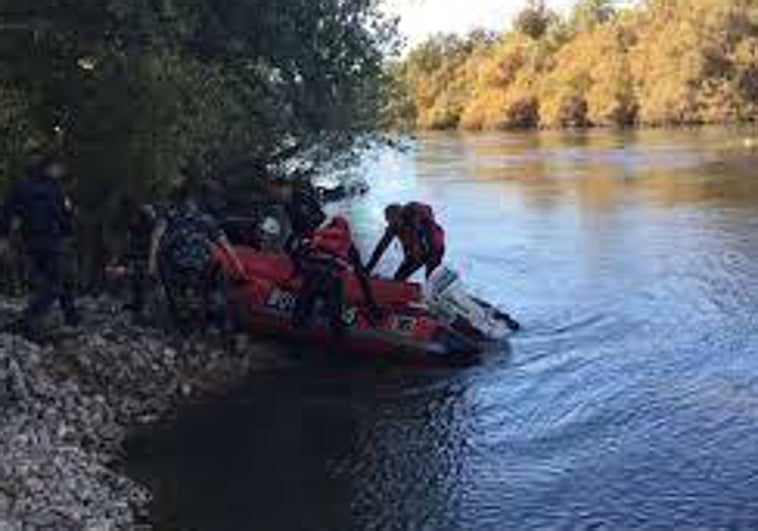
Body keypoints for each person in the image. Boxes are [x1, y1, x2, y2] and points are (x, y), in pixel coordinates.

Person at [0, 155, 79, 341]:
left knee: (63, 278)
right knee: (55, 284)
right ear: (49, 168)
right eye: (59, 167)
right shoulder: (55, 189)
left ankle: (72, 318)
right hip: (50, 241)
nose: (61, 171)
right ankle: (27, 318)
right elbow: (63, 217)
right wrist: (69, 225)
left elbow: (6, 212)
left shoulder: (20, 187)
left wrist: (4, 236)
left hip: (30, 242)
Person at [148, 183, 246, 331]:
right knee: (210, 288)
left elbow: (156, 237)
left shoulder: (172, 215)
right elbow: (224, 243)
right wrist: (238, 266)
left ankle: (188, 317)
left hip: (181, 268)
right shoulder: (205, 219)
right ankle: (209, 321)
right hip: (197, 268)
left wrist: (152, 263)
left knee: (179, 287)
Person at [292, 216, 380, 338]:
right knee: (335, 321)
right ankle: (334, 335)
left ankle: (299, 329)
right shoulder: (348, 244)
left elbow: (297, 256)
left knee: (298, 318)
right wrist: (371, 302)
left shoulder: (317, 237)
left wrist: (295, 275)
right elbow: (361, 276)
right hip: (331, 282)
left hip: (312, 279)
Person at [366, 202, 446, 281]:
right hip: (416, 253)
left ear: (400, 216)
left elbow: (431, 242)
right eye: (388, 221)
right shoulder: (394, 227)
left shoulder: (417, 219)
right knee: (399, 277)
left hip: (433, 249)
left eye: (392, 221)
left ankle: (433, 290)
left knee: (431, 278)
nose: (390, 224)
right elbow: (381, 247)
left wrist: (417, 249)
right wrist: (368, 269)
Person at [110, 195, 156, 319]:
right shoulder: (131, 219)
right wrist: (119, 259)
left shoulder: (145, 216)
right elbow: (128, 241)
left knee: (141, 278)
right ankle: (137, 307)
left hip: (146, 252)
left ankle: (142, 308)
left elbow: (151, 237)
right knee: (136, 278)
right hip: (138, 252)